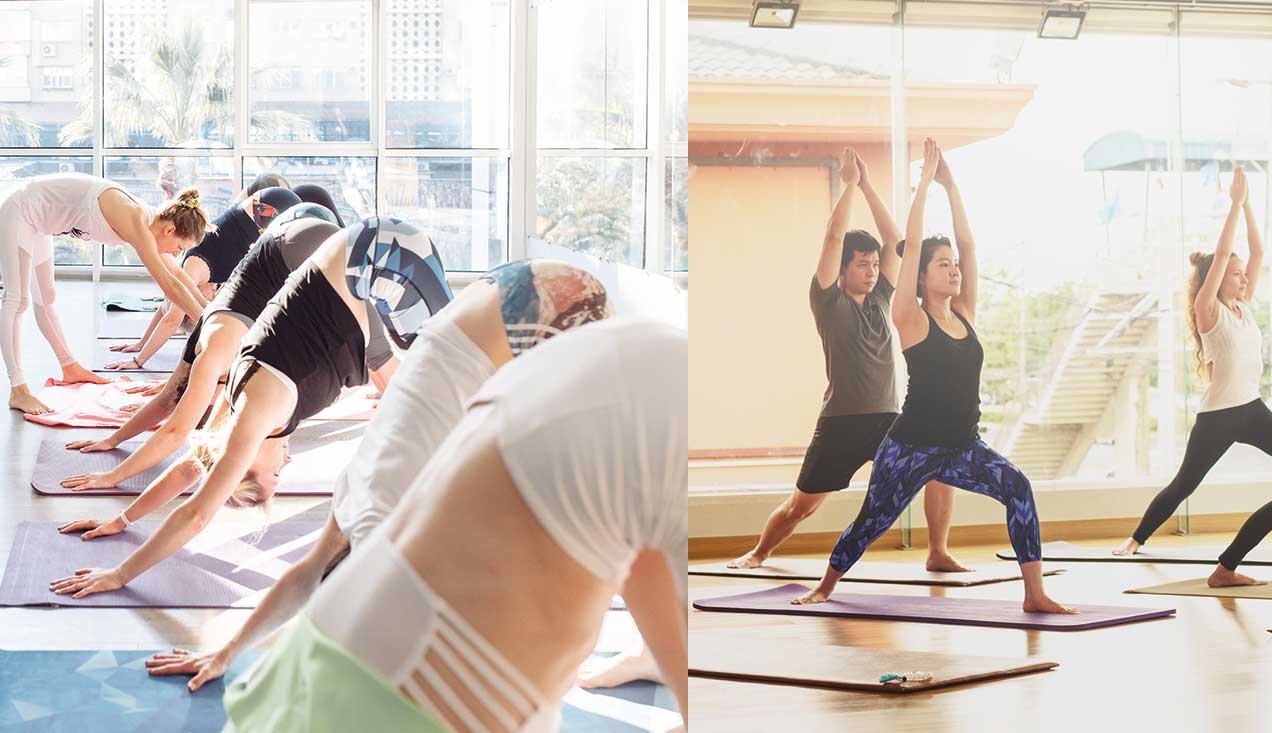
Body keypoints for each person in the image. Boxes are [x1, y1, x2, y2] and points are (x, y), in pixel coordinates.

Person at [142, 259, 617, 691]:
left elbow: (315, 599)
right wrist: (227, 654)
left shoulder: (378, 526)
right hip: (500, 301)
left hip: (531, 307)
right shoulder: (360, 502)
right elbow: (306, 578)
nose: (281, 473)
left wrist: (230, 655)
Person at [220, 317, 687, 732]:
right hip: (418, 699)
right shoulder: (667, 412)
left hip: (318, 660)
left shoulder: (603, 368)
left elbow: (647, 573)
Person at [48, 217, 454, 599]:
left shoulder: (254, 414)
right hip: (370, 260)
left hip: (383, 256)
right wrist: (122, 520)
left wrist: (119, 574)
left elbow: (195, 514)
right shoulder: (238, 403)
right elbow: (192, 467)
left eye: (275, 471)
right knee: (444, 396)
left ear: (244, 461)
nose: (288, 461)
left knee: (454, 396)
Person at [794, 139, 1073, 614]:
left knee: (1018, 488)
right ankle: (826, 584)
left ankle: (1034, 593)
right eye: (943, 265)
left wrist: (951, 184)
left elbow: (968, 244)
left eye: (955, 266)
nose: (955, 270)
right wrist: (922, 185)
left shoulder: (964, 313)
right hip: (911, 448)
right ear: (921, 276)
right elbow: (913, 240)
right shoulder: (910, 315)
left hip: (964, 447)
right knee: (873, 520)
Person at [727, 148, 968, 573]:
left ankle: (937, 550)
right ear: (842, 270)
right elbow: (833, 239)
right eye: (863, 265)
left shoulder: (881, 300)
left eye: (875, 265)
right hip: (842, 420)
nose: (873, 271)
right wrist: (851, 184)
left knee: (937, 468)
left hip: (889, 419)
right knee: (802, 507)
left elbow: (902, 246)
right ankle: (760, 552)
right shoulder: (828, 301)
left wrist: (871, 186)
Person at [59, 215, 394, 490]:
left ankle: (427, 428)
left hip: (296, 245)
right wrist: (113, 441)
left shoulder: (213, 356)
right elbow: (168, 401)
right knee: (369, 348)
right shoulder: (207, 354)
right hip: (289, 239)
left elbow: (177, 431)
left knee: (376, 355)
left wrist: (113, 476)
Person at [1112, 166, 1272, 558]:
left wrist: (1250, 204)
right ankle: (1136, 539)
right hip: (1218, 416)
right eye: (1234, 274)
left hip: (1252, 409)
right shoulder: (1209, 310)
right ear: (1216, 279)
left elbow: (1257, 253)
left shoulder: (1242, 306)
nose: (1242, 279)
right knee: (1185, 483)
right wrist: (1234, 206)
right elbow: (1223, 254)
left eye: (1242, 275)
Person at [2, 174, 212, 414]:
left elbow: (179, 276)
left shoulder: (153, 227)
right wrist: (208, 324)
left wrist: (213, 314)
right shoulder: (135, 219)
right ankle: (18, 390)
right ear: (169, 229)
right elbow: (168, 285)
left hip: (41, 224)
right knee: (17, 300)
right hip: (21, 211)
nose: (176, 254)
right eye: (179, 248)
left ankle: (70, 367)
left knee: (46, 298)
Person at [106, 186, 303, 370]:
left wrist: (139, 357)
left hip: (262, 209)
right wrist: (140, 350)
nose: (213, 295)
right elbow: (167, 313)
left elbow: (169, 318)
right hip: (260, 209)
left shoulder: (194, 268)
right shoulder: (196, 268)